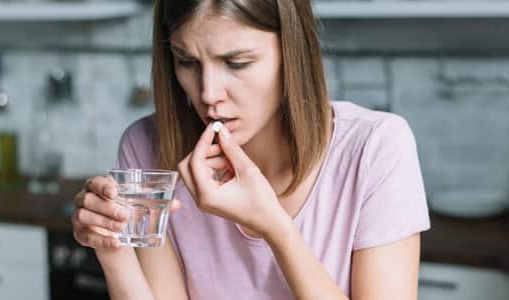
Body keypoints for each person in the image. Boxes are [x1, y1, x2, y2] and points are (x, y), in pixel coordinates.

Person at [71, 0, 430, 299]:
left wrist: (275, 228)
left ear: (292, 52)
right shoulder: (148, 147)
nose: (208, 93)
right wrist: (111, 247)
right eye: (187, 61)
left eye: (236, 63)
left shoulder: (377, 147)